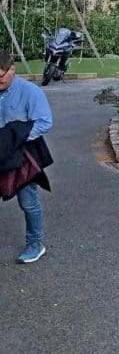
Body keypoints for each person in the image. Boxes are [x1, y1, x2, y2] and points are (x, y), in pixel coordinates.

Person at [0, 52, 53, 263]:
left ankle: (35, 243)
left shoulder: (31, 92)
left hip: (22, 154)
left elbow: (45, 122)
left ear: (12, 69)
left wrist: (15, 138)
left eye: (0, 77)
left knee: (28, 201)